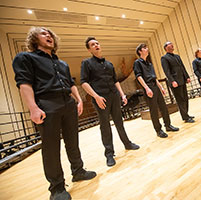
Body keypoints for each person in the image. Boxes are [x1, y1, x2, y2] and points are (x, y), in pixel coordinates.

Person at [12, 27, 96, 200]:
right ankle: (57, 188)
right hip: (47, 104)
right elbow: (24, 83)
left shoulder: (62, 63)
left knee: (73, 141)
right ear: (34, 39)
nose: (48, 35)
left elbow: (70, 83)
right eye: (43, 33)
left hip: (68, 102)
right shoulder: (26, 58)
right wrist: (33, 108)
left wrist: (79, 100)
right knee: (51, 148)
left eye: (50, 34)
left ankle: (78, 171)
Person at [80, 37, 139, 167]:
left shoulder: (109, 64)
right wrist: (96, 97)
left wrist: (122, 95)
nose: (96, 45)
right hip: (101, 98)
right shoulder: (86, 63)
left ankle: (127, 144)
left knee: (119, 121)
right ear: (89, 49)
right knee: (105, 126)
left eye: (97, 43)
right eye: (92, 44)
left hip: (114, 96)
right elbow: (84, 82)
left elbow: (115, 81)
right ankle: (109, 154)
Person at [133, 44, 179, 138]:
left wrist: (161, 87)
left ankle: (168, 125)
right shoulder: (137, 63)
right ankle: (158, 130)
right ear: (140, 51)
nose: (147, 49)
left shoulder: (149, 64)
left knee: (163, 107)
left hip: (155, 86)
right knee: (154, 110)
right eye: (145, 48)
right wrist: (146, 88)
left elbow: (154, 77)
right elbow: (139, 76)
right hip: (148, 87)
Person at [161, 41, 194, 123]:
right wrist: (172, 81)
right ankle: (185, 117)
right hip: (175, 82)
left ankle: (186, 114)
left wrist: (187, 77)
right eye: (170, 45)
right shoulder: (164, 58)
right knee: (180, 99)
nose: (172, 46)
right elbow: (167, 71)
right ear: (166, 48)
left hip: (182, 80)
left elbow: (182, 67)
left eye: (172, 45)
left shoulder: (177, 56)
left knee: (185, 98)